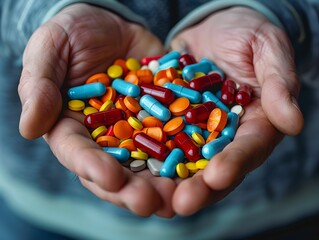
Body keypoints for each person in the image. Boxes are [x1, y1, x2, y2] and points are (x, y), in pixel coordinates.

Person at [0, 0, 318, 239]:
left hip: (281, 210)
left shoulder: (192, 100)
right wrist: (47, 11)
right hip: (41, 209)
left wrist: (284, 14)